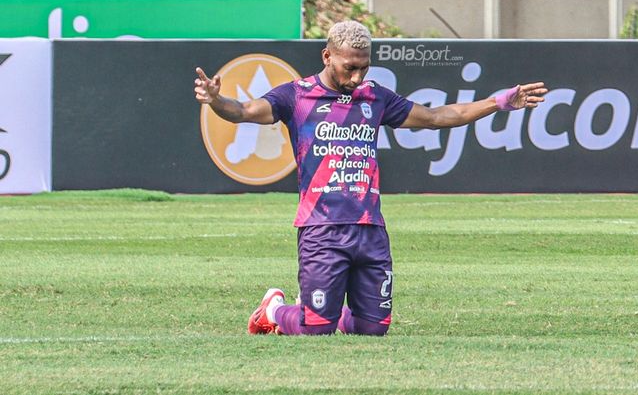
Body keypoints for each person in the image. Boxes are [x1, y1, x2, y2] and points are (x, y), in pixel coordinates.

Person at [194, 20, 547, 337]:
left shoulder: (374, 96)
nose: (357, 78)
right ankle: (274, 309)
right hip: (322, 228)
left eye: (364, 68)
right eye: (350, 68)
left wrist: (498, 102)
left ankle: (329, 310)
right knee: (314, 330)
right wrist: (215, 100)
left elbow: (439, 116)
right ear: (327, 56)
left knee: (372, 329)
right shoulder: (296, 96)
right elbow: (243, 111)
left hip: (370, 228)